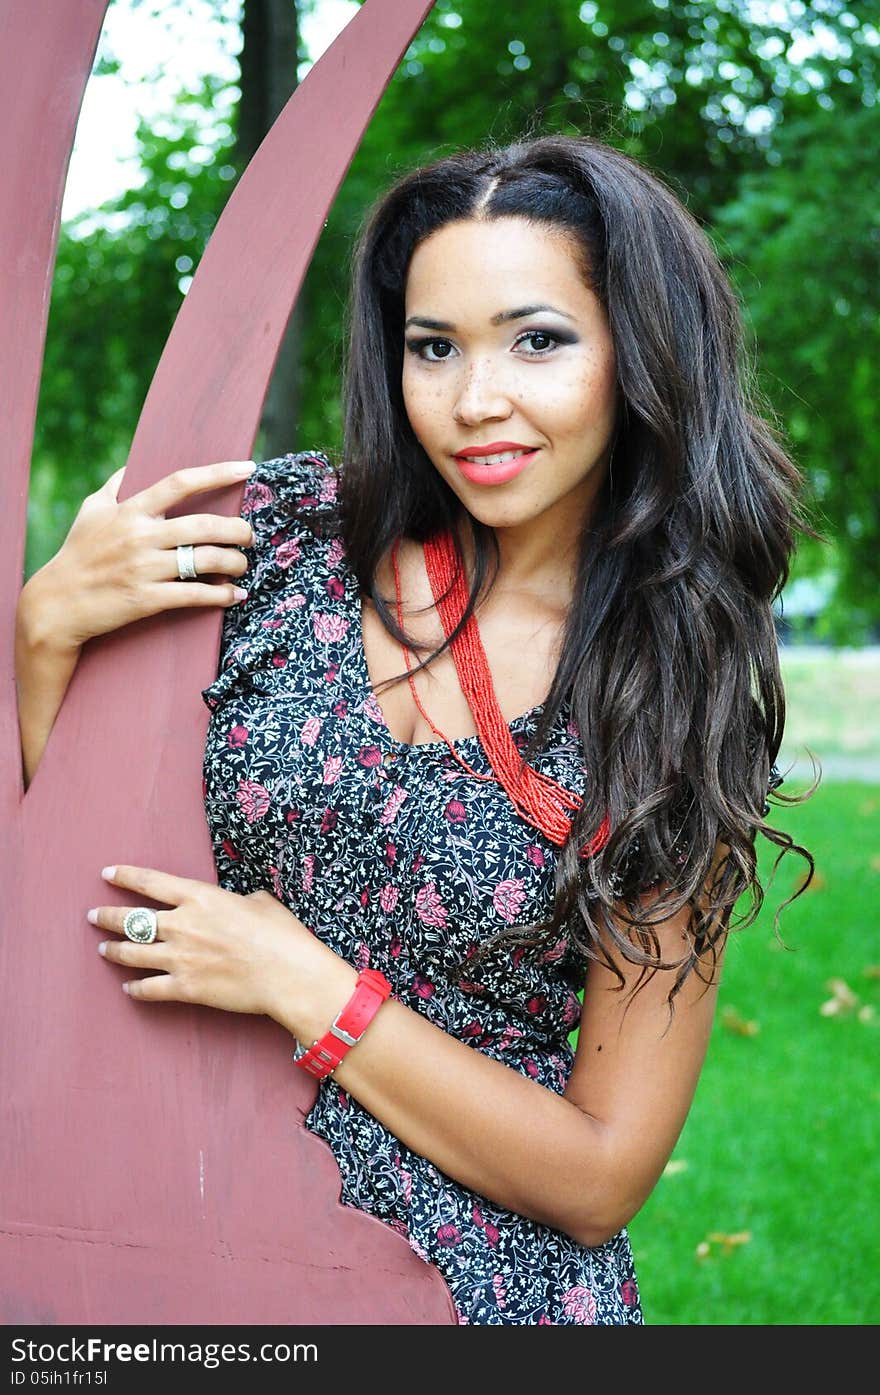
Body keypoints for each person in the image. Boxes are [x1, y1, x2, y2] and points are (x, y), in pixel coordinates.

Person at [15, 133, 816, 1326]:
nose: (473, 399)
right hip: (158, 1225)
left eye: (537, 340)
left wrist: (312, 990)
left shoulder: (667, 685)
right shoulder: (276, 541)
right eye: (432, 347)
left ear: (638, 355)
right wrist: (42, 639)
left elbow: (601, 1178)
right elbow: (66, 885)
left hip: (467, 1287)